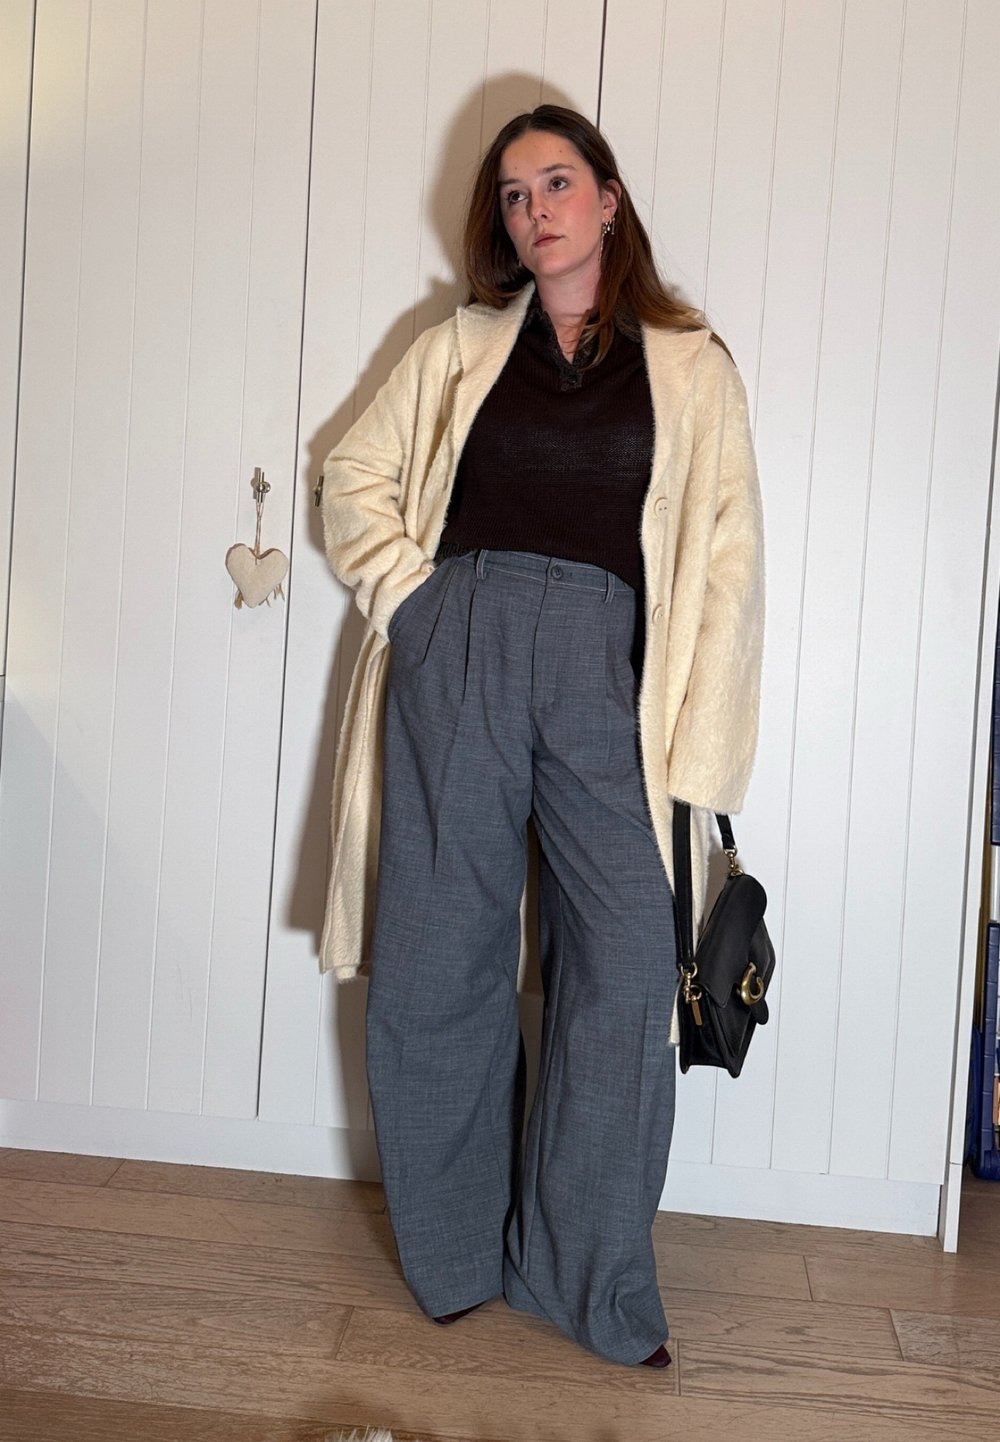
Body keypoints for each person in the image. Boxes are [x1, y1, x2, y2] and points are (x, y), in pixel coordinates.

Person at [317, 104, 764, 1370]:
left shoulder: (691, 365)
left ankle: (583, 1278)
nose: (535, 210)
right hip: (458, 642)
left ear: (609, 199)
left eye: (557, 182)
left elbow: (726, 565)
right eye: (514, 195)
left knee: (626, 967)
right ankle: (458, 1253)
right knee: (438, 956)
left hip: (602, 672)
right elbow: (352, 475)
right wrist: (417, 602)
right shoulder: (459, 346)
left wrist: (698, 754)